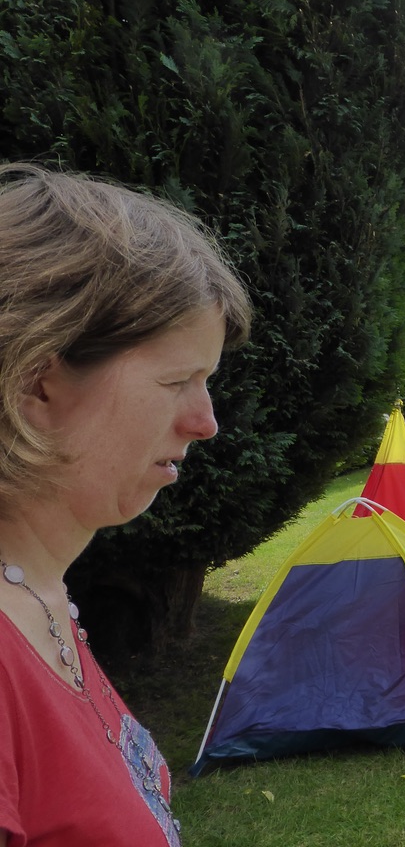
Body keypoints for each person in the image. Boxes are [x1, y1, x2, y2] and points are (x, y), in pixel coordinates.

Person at [0, 164, 253, 846]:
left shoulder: (40, 595)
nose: (206, 423)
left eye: (206, 381)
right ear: (36, 382)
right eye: (176, 381)